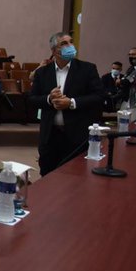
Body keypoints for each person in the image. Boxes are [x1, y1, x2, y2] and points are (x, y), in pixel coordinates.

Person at [29, 32, 104, 176]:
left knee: (75, 177)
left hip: (77, 136)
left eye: (71, 42)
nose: (70, 46)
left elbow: (99, 96)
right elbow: (32, 99)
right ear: (53, 51)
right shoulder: (43, 73)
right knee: (48, 176)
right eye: (64, 44)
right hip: (50, 136)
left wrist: (71, 103)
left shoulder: (87, 69)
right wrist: (49, 99)